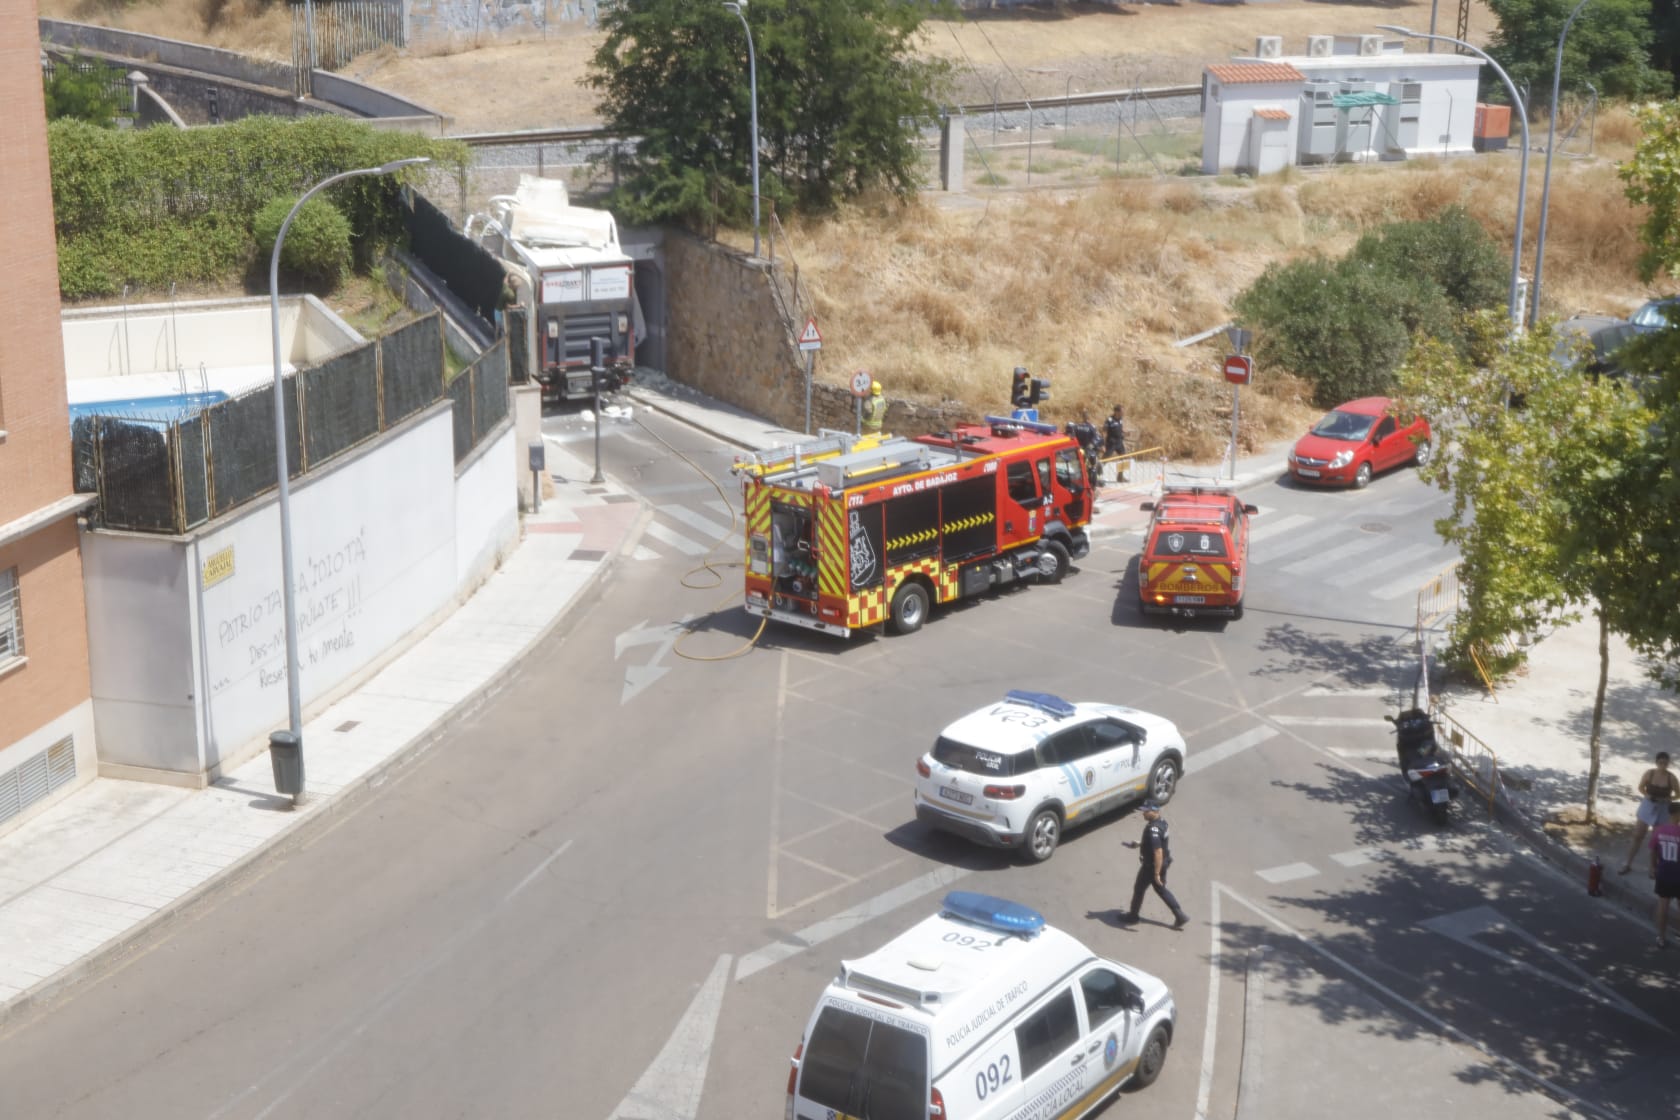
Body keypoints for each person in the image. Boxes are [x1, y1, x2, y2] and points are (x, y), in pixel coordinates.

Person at [1118, 801, 1189, 929]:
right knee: (1160, 889)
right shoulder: (1162, 822)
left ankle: (1133, 916)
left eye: (1146, 811)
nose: (1143, 813)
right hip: (1163, 863)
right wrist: (1141, 844)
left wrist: (1156, 873)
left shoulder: (1153, 829)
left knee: (1139, 889)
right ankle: (1180, 915)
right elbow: (1159, 843)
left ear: (1154, 811)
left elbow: (1158, 851)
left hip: (1151, 866)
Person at [1619, 750, 1675, 874]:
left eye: (1665, 763)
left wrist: (1668, 799)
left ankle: (1652, 868)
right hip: (1648, 806)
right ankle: (1627, 863)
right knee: (1637, 835)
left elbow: (1678, 793)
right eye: (1660, 763)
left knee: (1655, 840)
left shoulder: (1671, 778)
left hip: (1662, 809)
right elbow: (1640, 787)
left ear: (1668, 764)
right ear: (1656, 762)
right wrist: (1647, 795)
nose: (1663, 765)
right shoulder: (1649, 774)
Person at [1649, 800, 1680, 949]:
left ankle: (1661, 937)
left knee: (1663, 905)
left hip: (1663, 873)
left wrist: (1652, 867)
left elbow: (1653, 850)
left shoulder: (1659, 830)